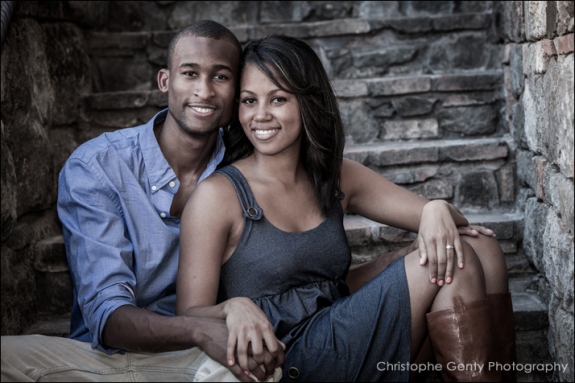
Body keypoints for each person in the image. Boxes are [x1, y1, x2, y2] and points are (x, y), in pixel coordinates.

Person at [176, 35, 516, 382]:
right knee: (451, 265)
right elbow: (189, 315)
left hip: (340, 329)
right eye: (249, 101)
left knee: (482, 249)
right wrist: (234, 307)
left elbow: (444, 220)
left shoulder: (334, 176)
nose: (260, 115)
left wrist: (435, 208)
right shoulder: (218, 195)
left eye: (278, 99)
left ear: (307, 102)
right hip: (287, 356)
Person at [1, 20, 284, 382]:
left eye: (221, 77)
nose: (204, 91)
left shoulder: (245, 165)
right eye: (190, 73)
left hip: (203, 359)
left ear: (237, 89)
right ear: (165, 82)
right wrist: (198, 329)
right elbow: (108, 316)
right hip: (104, 360)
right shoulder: (98, 166)